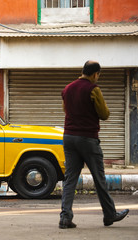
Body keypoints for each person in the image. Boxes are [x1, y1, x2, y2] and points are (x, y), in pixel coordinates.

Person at [59, 60, 129, 229]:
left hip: (69, 137)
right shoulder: (93, 89)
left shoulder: (67, 88)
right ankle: (109, 214)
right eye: (98, 75)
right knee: (99, 178)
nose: (98, 77)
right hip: (87, 138)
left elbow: (65, 110)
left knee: (70, 180)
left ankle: (65, 217)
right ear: (95, 74)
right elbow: (104, 114)